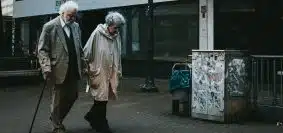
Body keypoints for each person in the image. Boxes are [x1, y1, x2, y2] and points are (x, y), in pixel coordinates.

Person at [37, 1, 83, 133]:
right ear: (62, 13)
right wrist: (46, 67)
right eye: (70, 16)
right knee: (57, 100)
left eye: (74, 16)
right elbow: (42, 49)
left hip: (73, 68)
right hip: (57, 69)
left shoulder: (75, 26)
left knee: (73, 96)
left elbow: (78, 47)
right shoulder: (50, 26)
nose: (72, 19)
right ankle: (56, 127)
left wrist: (83, 64)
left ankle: (55, 119)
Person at [83, 11, 125, 133]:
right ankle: (102, 125)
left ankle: (92, 117)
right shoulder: (97, 33)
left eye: (118, 28)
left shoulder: (117, 36)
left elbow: (118, 53)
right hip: (99, 70)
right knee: (100, 98)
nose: (117, 30)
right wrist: (86, 68)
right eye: (115, 27)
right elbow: (87, 51)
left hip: (111, 71)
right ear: (109, 24)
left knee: (104, 98)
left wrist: (119, 70)